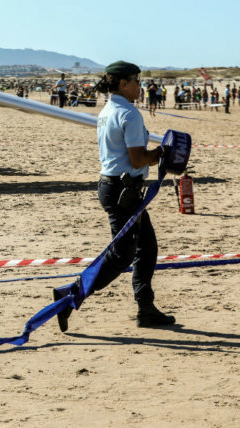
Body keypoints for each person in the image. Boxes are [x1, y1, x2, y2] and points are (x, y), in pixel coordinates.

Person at [56, 60, 175, 331]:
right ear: (123, 83)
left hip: (114, 187)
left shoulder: (110, 109)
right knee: (121, 256)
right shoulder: (130, 114)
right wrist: (161, 154)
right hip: (124, 190)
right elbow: (136, 159)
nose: (140, 86)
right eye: (137, 81)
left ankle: (146, 308)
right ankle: (71, 295)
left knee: (147, 248)